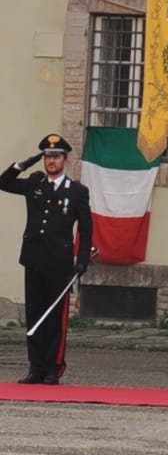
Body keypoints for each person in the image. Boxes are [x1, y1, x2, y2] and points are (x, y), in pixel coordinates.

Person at [0, 134, 92, 384]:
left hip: (59, 262)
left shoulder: (76, 191)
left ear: (65, 159)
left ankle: (53, 366)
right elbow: (3, 182)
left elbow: (85, 229)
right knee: (35, 313)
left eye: (56, 156)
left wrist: (82, 259)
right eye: (47, 156)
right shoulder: (34, 184)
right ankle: (36, 367)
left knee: (54, 317)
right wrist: (24, 164)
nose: (51, 161)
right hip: (33, 259)